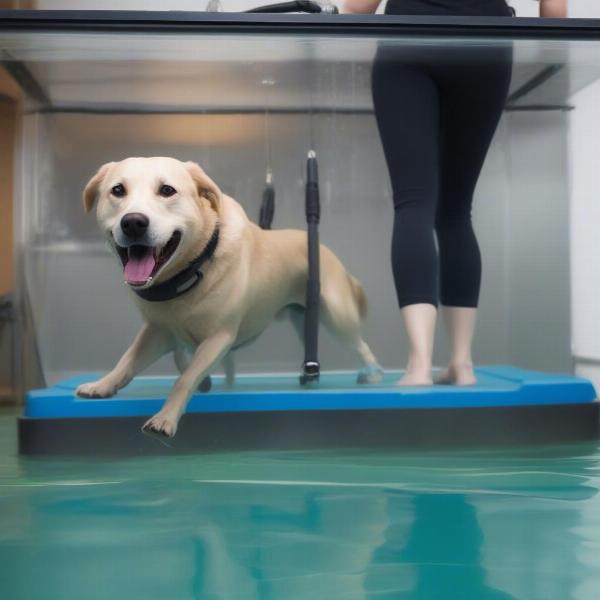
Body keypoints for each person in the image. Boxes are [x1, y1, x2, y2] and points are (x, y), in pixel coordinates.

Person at [342, 0, 567, 385]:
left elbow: (356, 8)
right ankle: (462, 363)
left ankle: (419, 364)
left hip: (410, 38)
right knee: (456, 210)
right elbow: (556, 13)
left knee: (414, 204)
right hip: (487, 45)